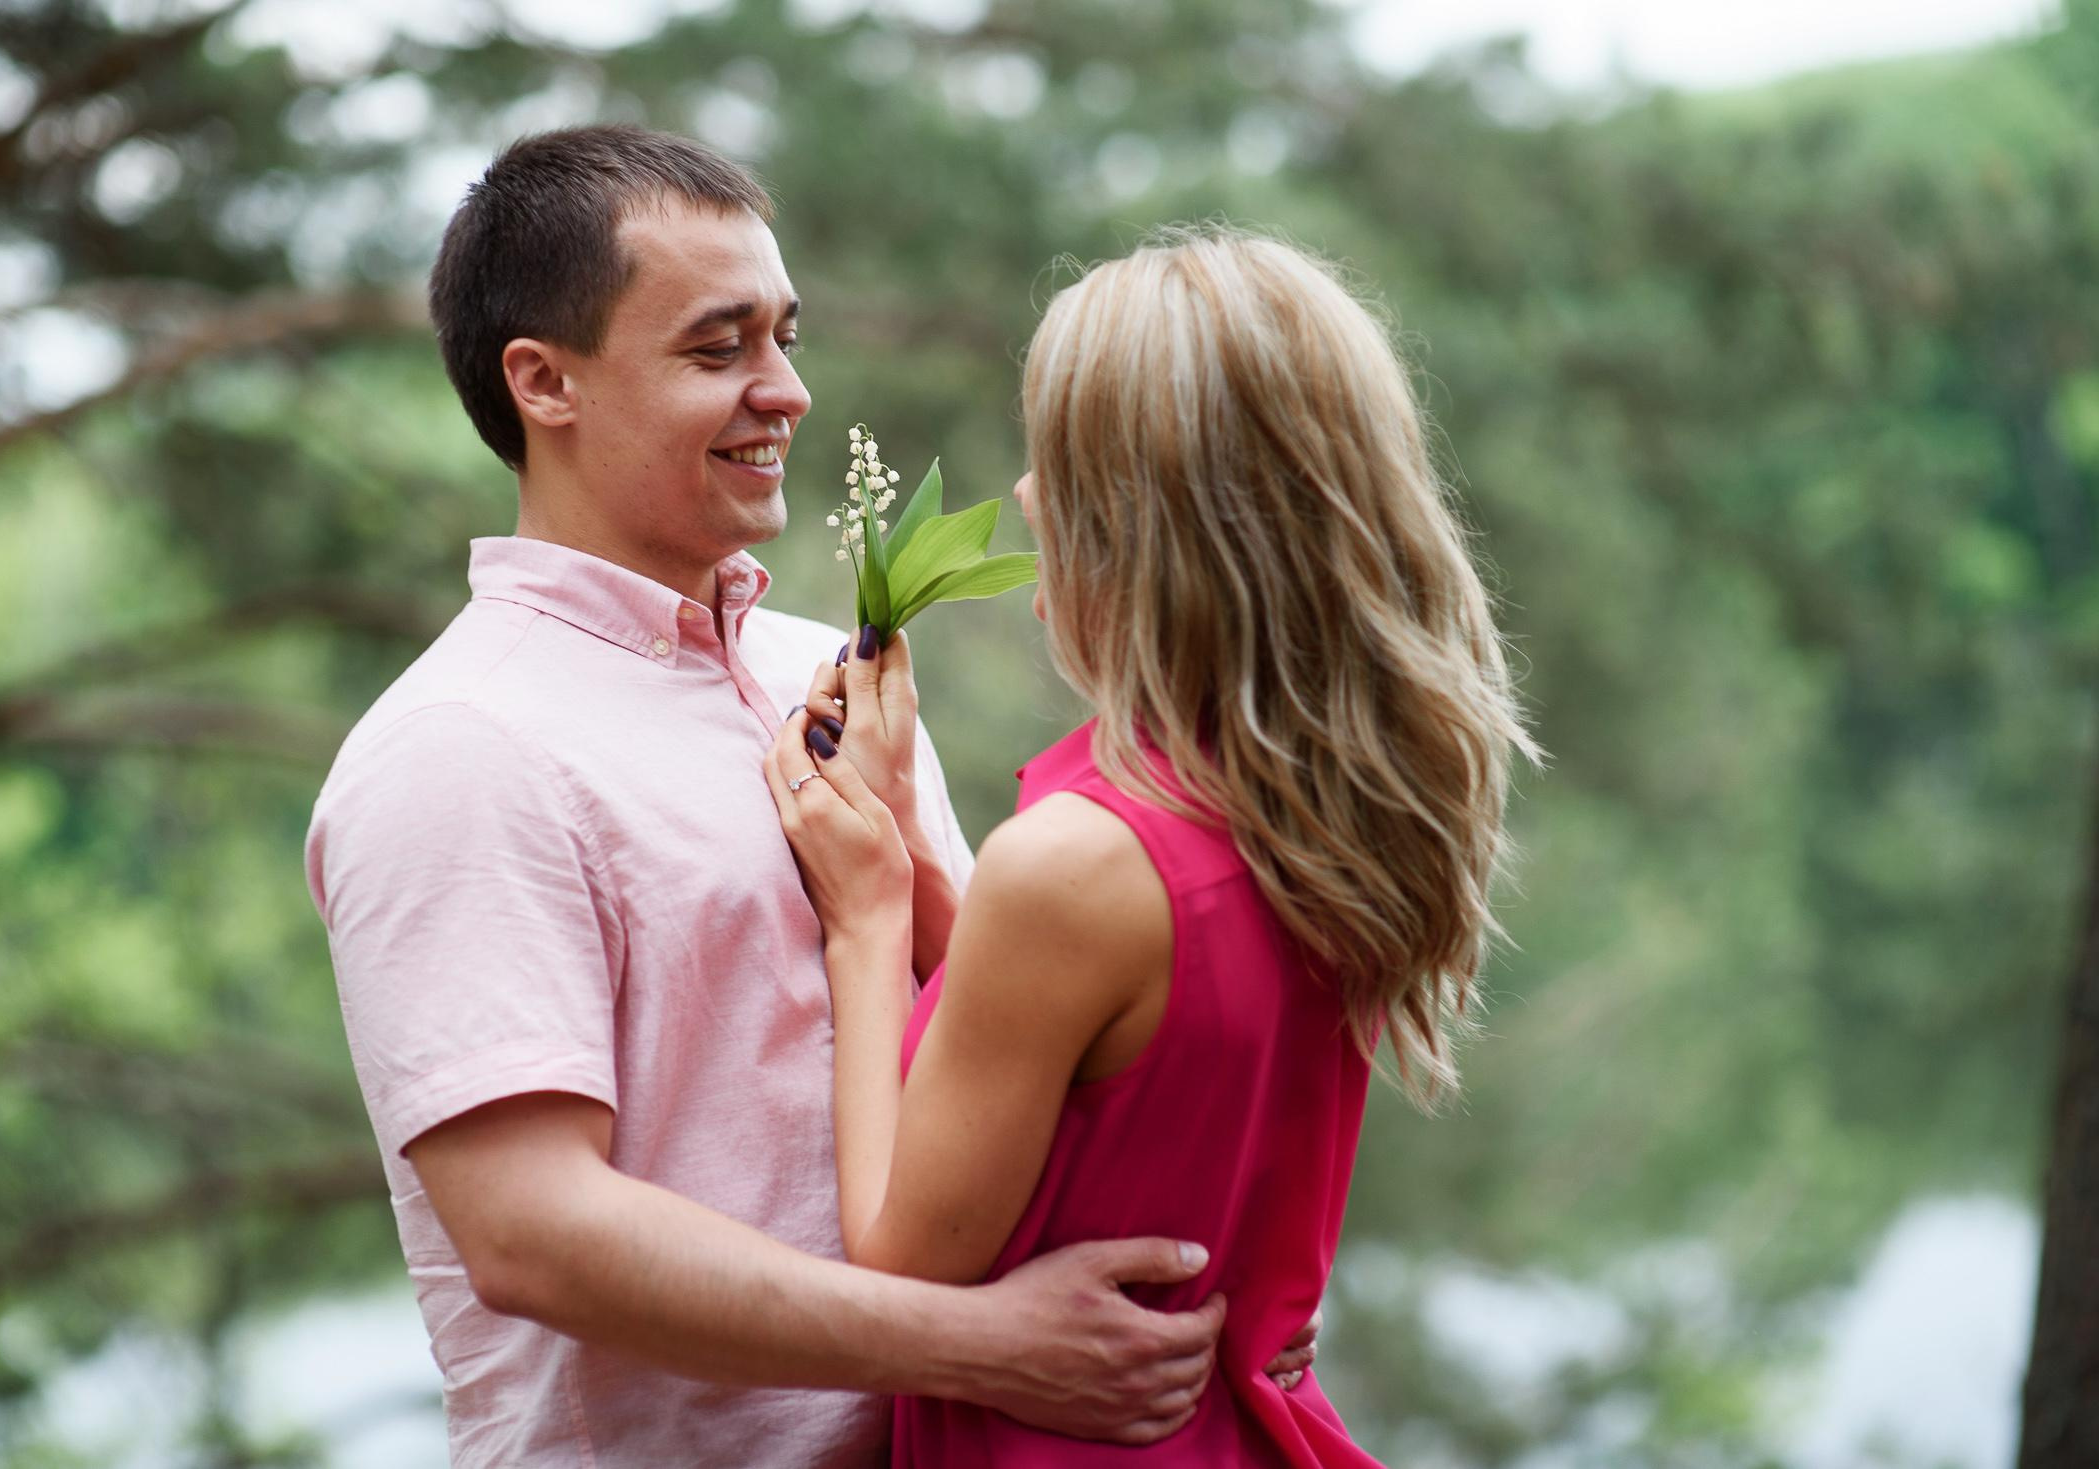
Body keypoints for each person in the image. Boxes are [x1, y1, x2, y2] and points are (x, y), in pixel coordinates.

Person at [304, 127, 1318, 1468]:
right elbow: (530, 1232)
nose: (784, 390)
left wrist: (1221, 1285)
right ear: (545, 384)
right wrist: (984, 1346)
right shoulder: (459, 748)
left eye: (785, 337)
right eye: (718, 349)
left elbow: (994, 1042)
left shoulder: (822, 670)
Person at [766, 226, 1544, 1465]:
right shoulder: (1330, 799)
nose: (1022, 495)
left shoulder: (1076, 866)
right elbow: (1115, 1063)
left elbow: (901, 1258)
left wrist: (865, 921)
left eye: (1053, 462)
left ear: (1140, 519)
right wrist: (915, 851)